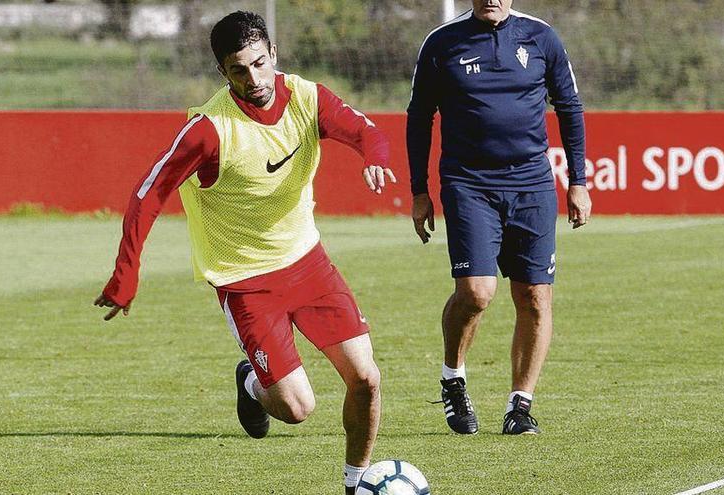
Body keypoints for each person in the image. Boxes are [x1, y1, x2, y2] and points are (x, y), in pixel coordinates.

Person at [93, 11, 395, 494]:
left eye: (260, 63)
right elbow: (148, 194)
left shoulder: (307, 97)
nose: (254, 79)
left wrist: (374, 157)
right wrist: (126, 274)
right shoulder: (208, 130)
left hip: (309, 263)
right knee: (297, 409)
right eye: (239, 70)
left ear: (273, 53)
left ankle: (356, 483)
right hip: (246, 282)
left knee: (367, 378)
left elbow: (366, 131)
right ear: (223, 72)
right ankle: (253, 385)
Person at [406, 0, 592, 435]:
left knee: (534, 298)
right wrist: (419, 190)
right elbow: (419, 118)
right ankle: (453, 377)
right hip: (468, 184)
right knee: (476, 293)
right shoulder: (441, 42)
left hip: (532, 185)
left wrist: (578, 181)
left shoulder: (541, 37)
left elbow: (570, 108)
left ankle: (519, 407)